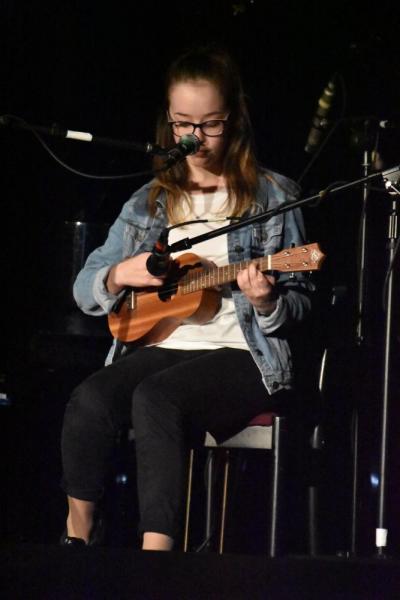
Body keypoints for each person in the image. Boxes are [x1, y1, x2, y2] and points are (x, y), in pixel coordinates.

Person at [60, 44, 315, 551]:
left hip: (245, 357)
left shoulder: (276, 196)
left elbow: (302, 304)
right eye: (183, 124)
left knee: (156, 399)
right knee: (91, 397)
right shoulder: (149, 202)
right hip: (161, 349)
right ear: (168, 123)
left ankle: (158, 559)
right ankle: (78, 538)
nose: (195, 137)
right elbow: (83, 289)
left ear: (234, 119)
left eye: (211, 123)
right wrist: (117, 275)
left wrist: (267, 303)